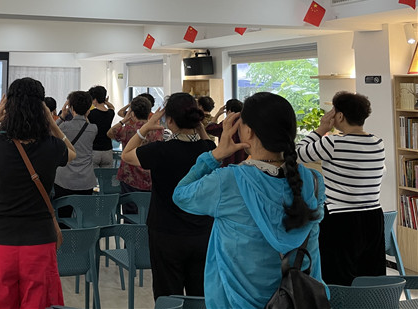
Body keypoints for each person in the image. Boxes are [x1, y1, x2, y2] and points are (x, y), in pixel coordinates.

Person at [172, 92, 326, 309]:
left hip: (237, 303)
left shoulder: (228, 181)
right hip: (301, 300)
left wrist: (215, 155)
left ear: (249, 132)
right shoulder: (314, 181)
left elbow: (181, 195)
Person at [0, 77, 76, 309]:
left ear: (9, 107)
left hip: (1, 238)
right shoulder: (53, 146)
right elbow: (72, 152)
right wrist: (53, 122)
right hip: (40, 239)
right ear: (42, 109)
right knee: (40, 303)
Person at [120, 93, 212, 299]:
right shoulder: (207, 150)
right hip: (202, 232)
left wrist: (146, 127)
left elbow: (126, 154)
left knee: (168, 294)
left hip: (166, 232)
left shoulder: (160, 150)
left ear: (169, 120)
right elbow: (210, 150)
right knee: (200, 295)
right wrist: (200, 129)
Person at [296, 91, 385, 286]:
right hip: (374, 218)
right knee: (371, 279)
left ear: (340, 116)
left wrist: (321, 129)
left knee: (338, 281)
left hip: (341, 219)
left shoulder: (333, 142)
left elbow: (297, 154)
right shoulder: (378, 143)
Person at [107, 96, 164, 214]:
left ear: (132, 113)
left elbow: (110, 133)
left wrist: (124, 120)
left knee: (130, 213)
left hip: (130, 175)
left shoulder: (128, 129)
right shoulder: (157, 130)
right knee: (148, 212)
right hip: (150, 176)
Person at [53, 91, 99, 218]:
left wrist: (62, 116)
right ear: (88, 109)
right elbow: (86, 123)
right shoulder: (93, 128)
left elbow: (50, 131)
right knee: (83, 218)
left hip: (64, 179)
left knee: (64, 217)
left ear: (71, 108)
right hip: (86, 179)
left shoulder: (64, 127)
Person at [86, 85, 116, 168]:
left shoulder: (90, 114)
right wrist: (105, 102)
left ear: (94, 99)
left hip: (94, 150)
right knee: (107, 176)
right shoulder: (110, 113)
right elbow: (112, 107)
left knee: (93, 175)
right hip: (108, 150)